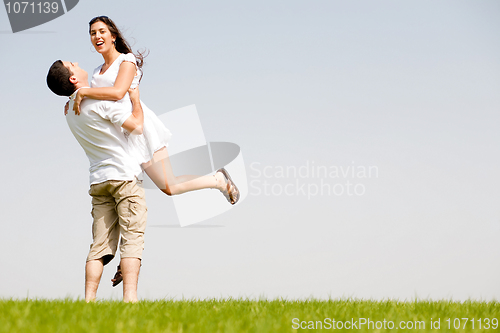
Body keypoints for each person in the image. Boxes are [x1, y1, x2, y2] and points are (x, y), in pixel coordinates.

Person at [71, 16, 240, 206]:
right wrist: (74, 99)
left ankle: (218, 181)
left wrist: (83, 91)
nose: (97, 36)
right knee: (158, 186)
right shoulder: (96, 73)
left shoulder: (126, 61)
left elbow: (118, 93)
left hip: (141, 126)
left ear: (113, 36)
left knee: (169, 186)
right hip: (123, 135)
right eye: (93, 33)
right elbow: (97, 103)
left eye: (102, 31)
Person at [47, 60, 147, 303]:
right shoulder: (98, 103)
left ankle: (88, 300)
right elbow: (137, 126)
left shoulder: (69, 110)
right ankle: (130, 300)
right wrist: (135, 99)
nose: (78, 63)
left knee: (99, 245)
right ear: (73, 78)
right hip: (123, 177)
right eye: (73, 64)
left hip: (98, 181)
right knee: (132, 237)